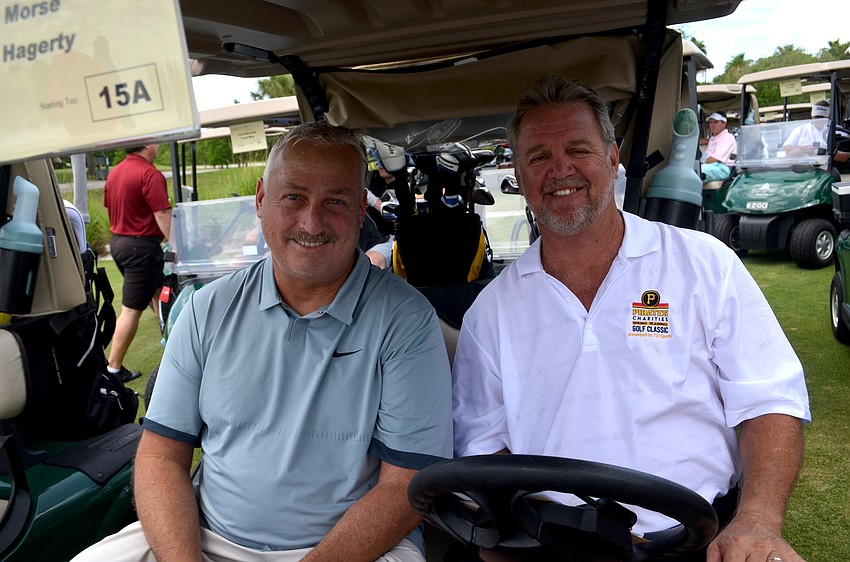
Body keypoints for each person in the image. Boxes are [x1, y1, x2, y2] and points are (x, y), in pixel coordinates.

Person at [452, 75, 811, 562]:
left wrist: (758, 521)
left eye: (579, 149)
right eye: (538, 157)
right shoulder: (489, 313)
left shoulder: (704, 263)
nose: (561, 171)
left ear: (612, 157)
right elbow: (484, 452)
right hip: (557, 546)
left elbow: (770, 398)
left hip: (698, 539)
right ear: (517, 171)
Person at [71, 123, 452, 562]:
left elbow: (406, 484)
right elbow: (161, 455)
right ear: (260, 199)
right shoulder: (205, 310)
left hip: (350, 549)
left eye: (336, 201)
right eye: (294, 197)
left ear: (359, 212)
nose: (312, 222)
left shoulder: (405, 320)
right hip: (206, 538)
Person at [103, 143, 171, 383]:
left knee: (158, 290)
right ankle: (113, 369)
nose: (157, 145)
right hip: (140, 248)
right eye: (155, 141)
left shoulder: (116, 172)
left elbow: (110, 207)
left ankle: (167, 338)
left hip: (119, 244)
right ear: (147, 145)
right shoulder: (149, 173)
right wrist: (177, 245)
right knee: (131, 309)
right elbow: (162, 213)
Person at [783, 100, 850, 163]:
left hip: (832, 167)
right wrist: (803, 149)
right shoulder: (800, 130)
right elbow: (786, 147)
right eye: (816, 117)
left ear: (828, 117)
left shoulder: (838, 131)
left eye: (822, 117)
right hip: (805, 168)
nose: (819, 119)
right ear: (811, 116)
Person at [700, 111, 737, 182]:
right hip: (712, 166)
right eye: (711, 123)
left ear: (724, 123)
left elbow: (714, 158)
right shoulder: (713, 138)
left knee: (696, 172)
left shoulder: (727, 137)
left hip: (722, 168)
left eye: (716, 122)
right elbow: (706, 156)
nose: (713, 125)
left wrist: (699, 162)